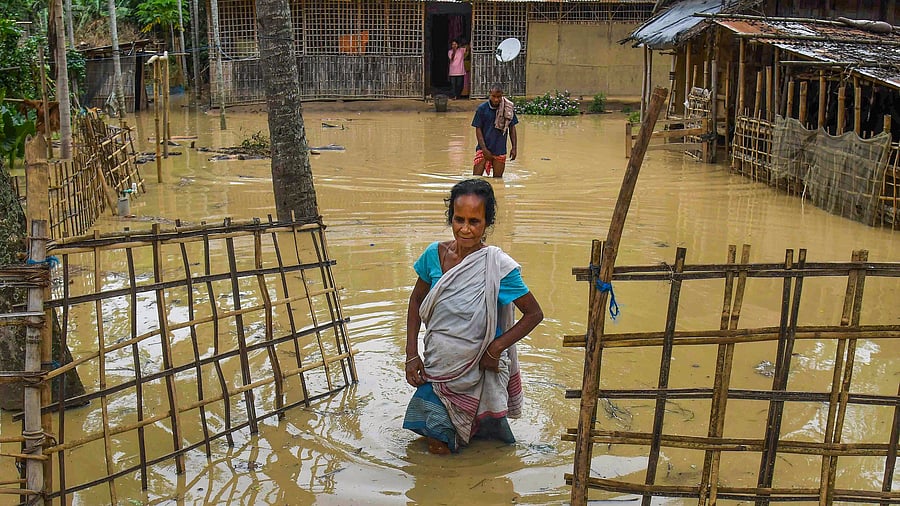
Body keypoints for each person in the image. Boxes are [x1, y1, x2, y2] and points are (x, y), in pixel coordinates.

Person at [402, 179, 543, 454]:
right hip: (439, 367)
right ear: (450, 218)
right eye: (459, 219)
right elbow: (416, 300)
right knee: (437, 442)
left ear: (487, 223)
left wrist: (495, 348)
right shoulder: (434, 255)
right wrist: (411, 353)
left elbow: (534, 314)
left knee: (487, 443)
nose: (465, 229)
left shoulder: (497, 267)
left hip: (481, 369)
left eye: (474, 221)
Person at [472, 84, 517, 178]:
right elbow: (478, 129)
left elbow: (512, 128)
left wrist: (514, 148)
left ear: (502, 95)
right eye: (494, 96)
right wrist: (484, 149)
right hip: (483, 149)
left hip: (499, 149)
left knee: (498, 180)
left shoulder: (507, 109)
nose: (496, 99)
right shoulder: (482, 109)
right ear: (489, 95)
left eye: (499, 97)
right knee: (475, 179)